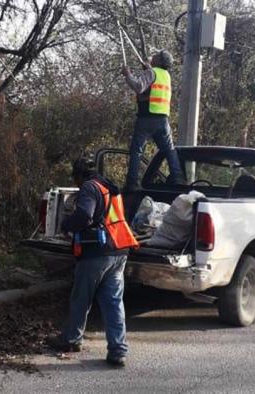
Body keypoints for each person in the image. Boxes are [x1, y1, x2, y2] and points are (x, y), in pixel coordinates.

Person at [48, 156, 139, 367]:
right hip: (119, 250)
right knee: (114, 302)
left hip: (96, 253)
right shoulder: (109, 187)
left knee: (81, 298)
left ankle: (71, 339)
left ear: (80, 175)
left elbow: (85, 216)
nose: (75, 184)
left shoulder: (89, 188)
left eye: (75, 179)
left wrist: (66, 225)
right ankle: (118, 351)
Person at [122, 50, 184, 189]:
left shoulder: (152, 73)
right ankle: (178, 178)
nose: (152, 57)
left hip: (146, 118)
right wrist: (148, 69)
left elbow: (138, 87)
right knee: (169, 150)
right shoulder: (166, 75)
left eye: (155, 56)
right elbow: (153, 83)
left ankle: (132, 183)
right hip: (162, 120)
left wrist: (128, 75)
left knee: (136, 150)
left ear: (159, 61)